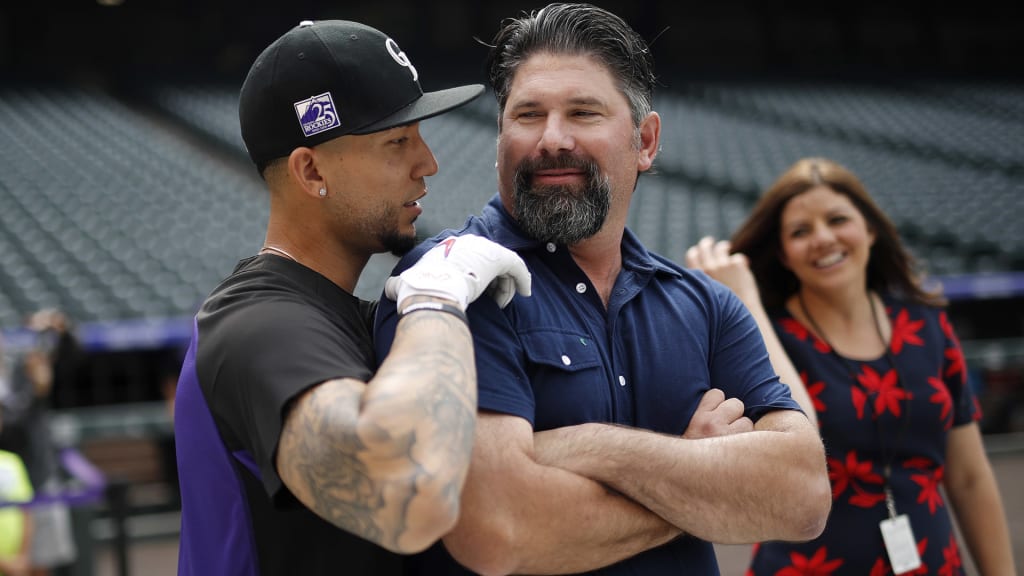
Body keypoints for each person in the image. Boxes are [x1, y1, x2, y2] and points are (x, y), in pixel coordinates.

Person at [374, 4, 832, 575]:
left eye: (584, 113)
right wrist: (700, 475)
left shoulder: (704, 304)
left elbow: (804, 495)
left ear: (645, 140)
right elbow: (499, 528)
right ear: (500, 135)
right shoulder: (446, 286)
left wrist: (583, 445)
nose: (552, 139)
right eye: (527, 115)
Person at [173, 19, 531, 576]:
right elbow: (407, 495)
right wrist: (435, 301)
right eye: (397, 142)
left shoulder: (346, 315)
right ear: (311, 171)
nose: (427, 163)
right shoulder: (254, 324)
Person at [685, 157, 1017, 574]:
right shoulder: (766, 338)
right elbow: (797, 451)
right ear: (785, 255)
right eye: (801, 231)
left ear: (871, 229)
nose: (822, 238)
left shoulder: (927, 324)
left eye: (837, 219)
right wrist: (746, 303)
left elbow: (968, 477)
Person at [0, 310, 77, 576]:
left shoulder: (23, 365)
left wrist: (61, 330)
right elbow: (8, 428)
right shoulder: (24, 379)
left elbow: (71, 360)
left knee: (42, 564)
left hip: (40, 476)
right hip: (8, 486)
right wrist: (37, 390)